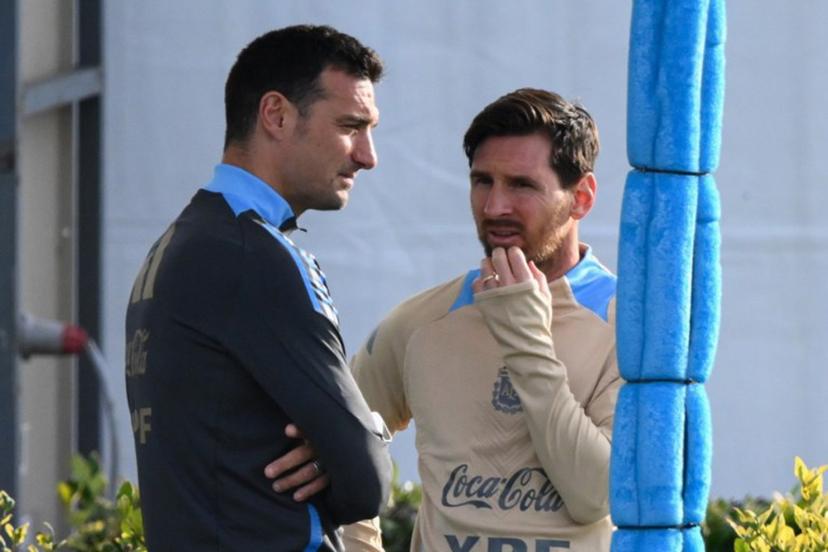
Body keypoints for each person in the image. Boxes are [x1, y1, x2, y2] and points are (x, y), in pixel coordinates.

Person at [267, 88, 621, 551]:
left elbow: (596, 495)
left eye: (522, 185)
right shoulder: (422, 322)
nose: (495, 207)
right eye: (482, 182)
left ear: (582, 198)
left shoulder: (629, 329)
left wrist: (525, 337)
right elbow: (335, 452)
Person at [125, 25, 393, 551]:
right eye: (350, 126)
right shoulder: (255, 254)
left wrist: (339, 445)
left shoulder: (178, 243)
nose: (367, 155)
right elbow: (367, 483)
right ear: (276, 115)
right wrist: (358, 439)